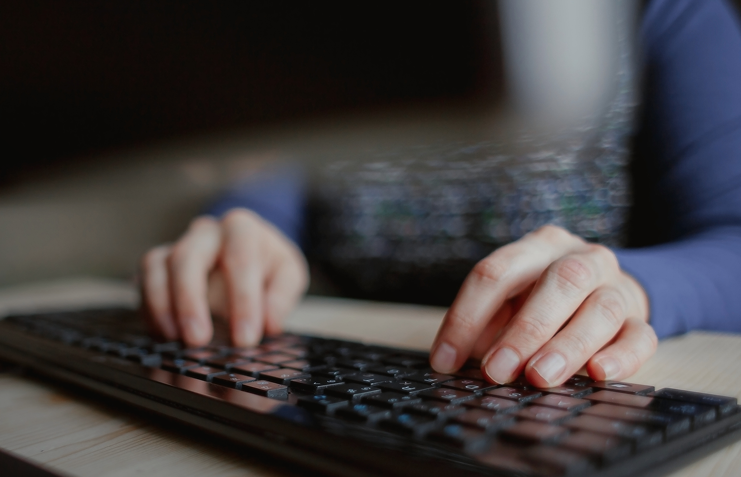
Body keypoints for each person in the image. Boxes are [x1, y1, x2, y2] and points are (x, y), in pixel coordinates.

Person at [139, 0, 741, 389]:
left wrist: (632, 287)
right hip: (337, 396)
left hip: (553, 395)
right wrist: (240, 222)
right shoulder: (318, 34)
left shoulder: (665, 13)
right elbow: (281, 179)